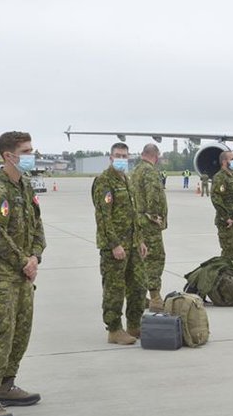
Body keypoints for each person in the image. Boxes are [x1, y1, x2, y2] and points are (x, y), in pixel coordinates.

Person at [0, 131, 45, 416]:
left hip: (23, 273)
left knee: (21, 332)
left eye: (31, 149)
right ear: (8, 156)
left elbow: (37, 225)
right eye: (26, 151)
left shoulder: (25, 185)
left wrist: (36, 256)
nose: (31, 155)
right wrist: (23, 261)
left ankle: (6, 384)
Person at [92, 143, 148, 345]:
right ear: (110, 157)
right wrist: (114, 244)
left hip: (132, 245)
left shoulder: (127, 179)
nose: (121, 159)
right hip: (115, 247)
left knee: (139, 286)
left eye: (125, 155)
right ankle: (114, 329)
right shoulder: (104, 181)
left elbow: (133, 214)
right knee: (114, 290)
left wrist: (140, 240)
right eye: (118, 155)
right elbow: (103, 217)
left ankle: (134, 324)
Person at [131, 144, 168, 312]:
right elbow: (153, 194)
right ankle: (155, 297)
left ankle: (138, 295)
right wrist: (154, 215)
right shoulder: (150, 171)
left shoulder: (136, 171)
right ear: (156, 156)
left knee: (141, 259)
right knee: (155, 258)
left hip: (138, 220)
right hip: (149, 223)